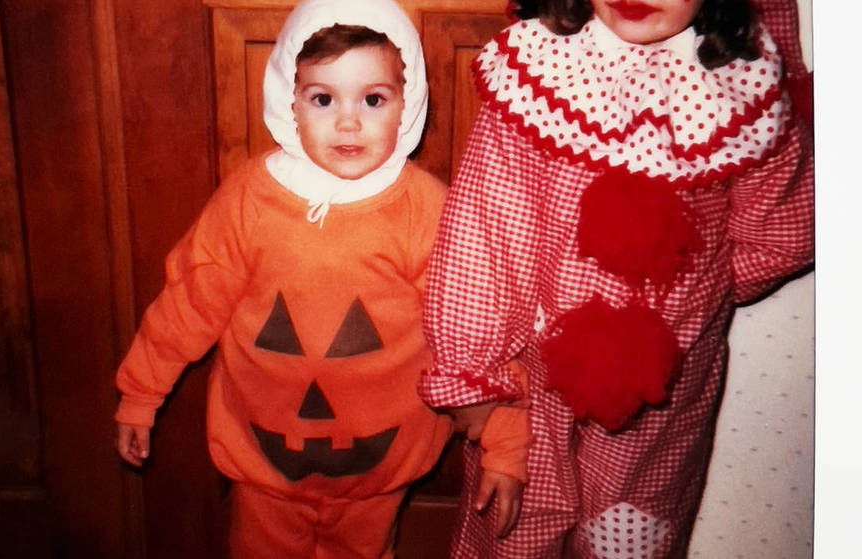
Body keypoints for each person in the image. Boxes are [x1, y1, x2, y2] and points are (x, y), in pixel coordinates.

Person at [112, 0, 529, 557]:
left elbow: (477, 332)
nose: (348, 121)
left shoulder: (427, 212)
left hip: (378, 471)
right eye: (323, 98)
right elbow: (188, 302)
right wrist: (140, 394)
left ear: (408, 108)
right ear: (289, 98)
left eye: (373, 99)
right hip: (262, 469)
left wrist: (505, 443)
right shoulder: (249, 201)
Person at [418, 0, 814, 557]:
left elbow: (782, 231)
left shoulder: (742, 85)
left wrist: (689, 303)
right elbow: (485, 229)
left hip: (665, 391)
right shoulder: (540, 67)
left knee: (631, 533)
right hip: (533, 372)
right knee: (516, 519)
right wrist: (472, 370)